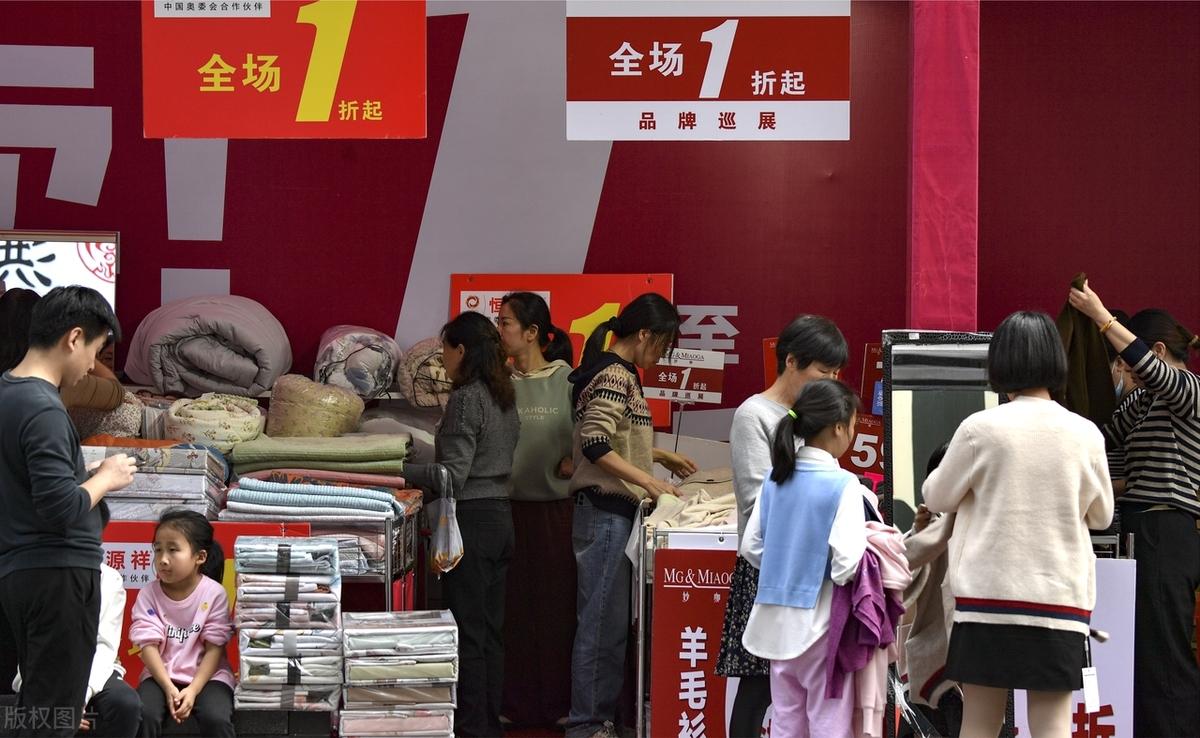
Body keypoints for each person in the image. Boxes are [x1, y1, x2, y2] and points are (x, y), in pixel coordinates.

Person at [923, 311, 1113, 738]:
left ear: (999, 363)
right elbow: (1101, 516)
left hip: (987, 602)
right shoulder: (1084, 433)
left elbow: (936, 496)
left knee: (980, 723)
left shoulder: (979, 429)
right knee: (1051, 726)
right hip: (1059, 603)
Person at [0, 285, 135, 737]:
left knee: (39, 708)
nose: (90, 367)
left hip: (22, 571)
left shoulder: (7, 394)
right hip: (57, 574)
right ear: (74, 338)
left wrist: (81, 475)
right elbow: (60, 507)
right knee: (56, 715)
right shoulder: (44, 408)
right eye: (95, 351)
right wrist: (107, 477)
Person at [1068, 282, 1200, 738]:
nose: (1126, 371)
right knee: (1144, 651)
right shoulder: (1143, 403)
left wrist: (1102, 316)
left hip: (1170, 527)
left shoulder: (1189, 390)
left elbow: (1152, 370)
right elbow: (1099, 438)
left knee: (1165, 656)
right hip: (1140, 530)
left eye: (1129, 363)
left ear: (1157, 350)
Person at [565, 294, 697, 738]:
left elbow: (612, 438)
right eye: (662, 346)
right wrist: (649, 481)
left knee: (608, 625)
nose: (660, 358)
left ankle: (597, 720)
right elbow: (595, 443)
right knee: (602, 626)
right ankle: (588, 726)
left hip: (609, 515)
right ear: (644, 334)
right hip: (605, 514)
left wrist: (658, 456)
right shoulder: (615, 375)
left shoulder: (614, 372)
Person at [716, 315, 847, 738]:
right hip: (769, 569)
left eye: (836, 373)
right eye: (823, 371)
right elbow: (757, 502)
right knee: (758, 688)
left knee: (801, 692)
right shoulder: (753, 414)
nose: (831, 381)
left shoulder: (811, 417)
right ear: (791, 361)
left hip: (810, 570)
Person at [413, 310, 521, 737]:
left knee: (468, 632)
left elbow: (451, 476)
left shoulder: (466, 399)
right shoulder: (503, 394)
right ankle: (489, 723)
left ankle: (472, 727)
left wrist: (401, 470)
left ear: (461, 350)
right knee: (491, 633)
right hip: (501, 519)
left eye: (444, 349)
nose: (442, 358)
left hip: (471, 523)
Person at [739, 379, 867, 738]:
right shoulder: (844, 484)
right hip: (822, 625)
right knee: (828, 723)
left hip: (774, 622)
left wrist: (787, 566)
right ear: (838, 427)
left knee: (786, 721)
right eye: (853, 424)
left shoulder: (774, 478)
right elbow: (847, 564)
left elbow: (750, 546)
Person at [495, 292, 576, 729]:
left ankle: (558, 706)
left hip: (556, 514)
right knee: (511, 611)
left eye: (506, 323)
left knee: (555, 610)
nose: (499, 331)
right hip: (505, 510)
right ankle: (514, 704)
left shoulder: (568, 380)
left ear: (532, 333)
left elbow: (596, 436)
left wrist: (576, 459)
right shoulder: (499, 381)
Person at [11, 503, 142, 737]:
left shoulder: (109, 579)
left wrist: (79, 696)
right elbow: (28, 644)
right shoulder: (32, 573)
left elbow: (104, 646)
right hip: (41, 670)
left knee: (125, 704)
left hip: (94, 670)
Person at [129, 510, 234, 738]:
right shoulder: (148, 594)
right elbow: (147, 646)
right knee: (144, 714)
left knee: (215, 717)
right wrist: (168, 687)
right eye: (158, 549)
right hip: (160, 676)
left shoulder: (214, 593)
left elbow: (215, 648)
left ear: (200, 557)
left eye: (173, 550)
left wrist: (193, 690)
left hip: (209, 677)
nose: (163, 559)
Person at [0, 288, 124, 411]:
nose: (91, 366)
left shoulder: (9, 383)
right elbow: (116, 392)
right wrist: (85, 348)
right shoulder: (61, 381)